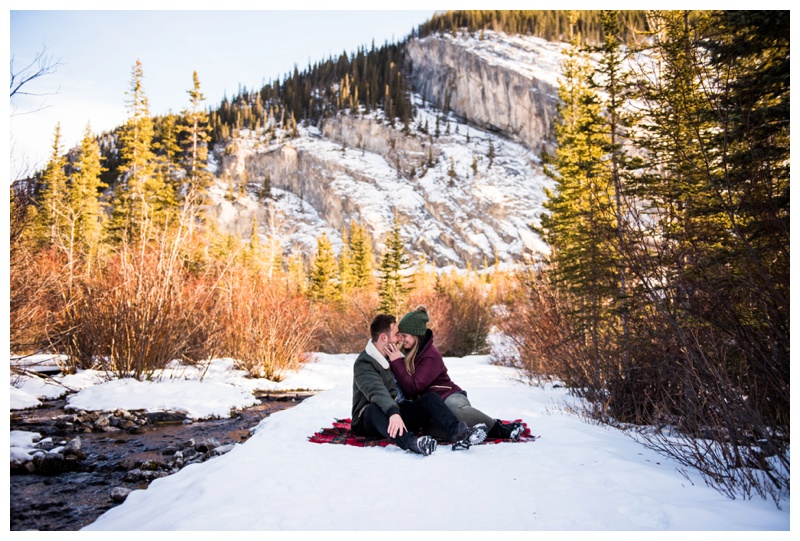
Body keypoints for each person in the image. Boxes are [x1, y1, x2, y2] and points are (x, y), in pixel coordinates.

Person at [351, 313, 488, 456]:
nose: (399, 338)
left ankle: (458, 433)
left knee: (431, 399)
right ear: (384, 338)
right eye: (396, 334)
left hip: (397, 414)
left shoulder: (393, 357)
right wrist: (393, 412)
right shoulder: (364, 363)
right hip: (369, 420)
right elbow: (377, 392)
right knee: (373, 409)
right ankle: (412, 443)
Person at [387, 305, 524, 441]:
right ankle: (470, 433)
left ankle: (500, 429)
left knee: (456, 412)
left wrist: (396, 362)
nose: (401, 339)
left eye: (404, 335)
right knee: (431, 429)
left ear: (416, 335)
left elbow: (414, 386)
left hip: (449, 396)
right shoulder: (407, 352)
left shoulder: (430, 355)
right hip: (432, 407)